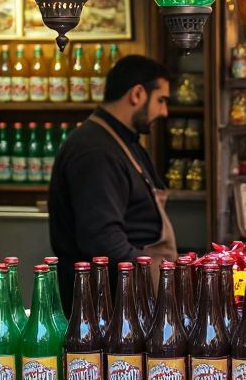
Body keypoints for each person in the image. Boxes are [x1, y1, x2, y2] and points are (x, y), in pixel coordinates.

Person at [49, 55, 177, 306]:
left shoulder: (123, 141)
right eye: (161, 100)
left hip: (130, 296)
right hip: (106, 306)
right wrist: (156, 282)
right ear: (137, 94)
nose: (164, 111)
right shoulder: (95, 151)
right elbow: (102, 240)